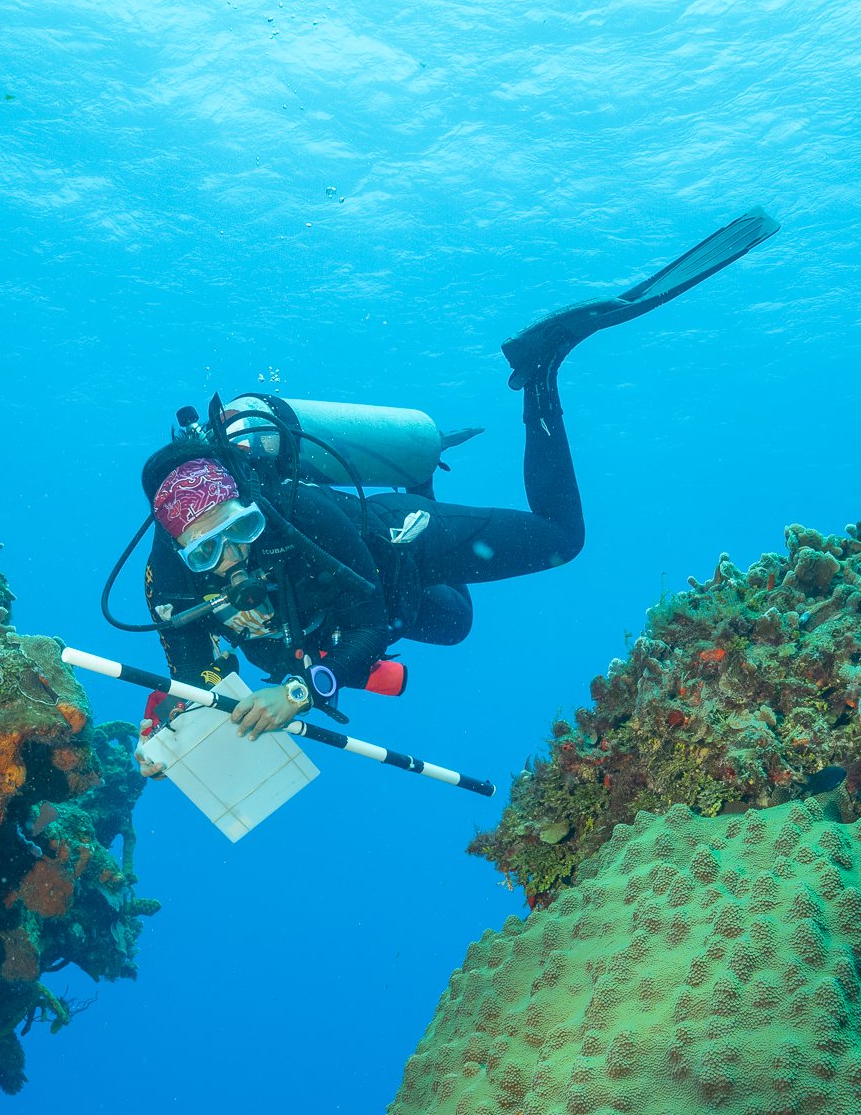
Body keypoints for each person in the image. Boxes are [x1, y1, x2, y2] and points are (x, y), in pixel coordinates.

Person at [126, 212, 780, 757]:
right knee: (456, 623)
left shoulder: (297, 510)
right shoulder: (170, 580)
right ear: (180, 550)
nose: (233, 555)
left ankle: (542, 368)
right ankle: (422, 470)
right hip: (375, 613)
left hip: (393, 544)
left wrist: (297, 691)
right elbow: (197, 674)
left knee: (561, 540)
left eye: (239, 530)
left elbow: (367, 618)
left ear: (251, 505)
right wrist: (176, 730)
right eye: (209, 550)